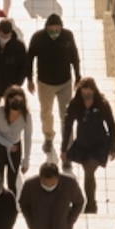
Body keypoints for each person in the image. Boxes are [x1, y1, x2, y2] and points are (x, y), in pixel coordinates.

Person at [25, 8, 81, 153]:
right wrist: (29, 79)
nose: (55, 33)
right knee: (46, 112)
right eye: (52, 30)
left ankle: (68, 143)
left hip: (65, 82)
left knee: (66, 114)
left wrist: (78, 77)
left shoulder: (68, 36)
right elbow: (29, 59)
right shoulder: (38, 38)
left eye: (57, 29)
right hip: (45, 83)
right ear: (47, 28)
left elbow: (74, 56)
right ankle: (48, 137)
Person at [62, 75, 115, 213]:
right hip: (83, 143)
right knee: (87, 171)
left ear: (94, 91)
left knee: (89, 170)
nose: (86, 96)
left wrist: (112, 147)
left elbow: (111, 125)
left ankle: (91, 204)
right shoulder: (75, 104)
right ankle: (89, 202)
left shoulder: (102, 104)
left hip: (99, 144)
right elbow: (68, 126)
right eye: (84, 92)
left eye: (89, 92)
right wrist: (64, 149)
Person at [0, 85, 33, 190]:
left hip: (15, 148)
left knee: (12, 183)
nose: (14, 117)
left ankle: (11, 203)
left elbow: (28, 137)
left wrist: (26, 160)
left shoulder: (27, 116)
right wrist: (7, 144)